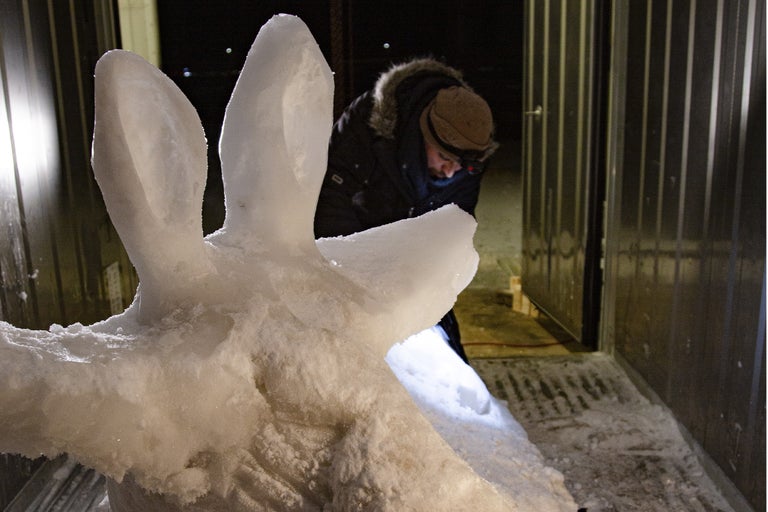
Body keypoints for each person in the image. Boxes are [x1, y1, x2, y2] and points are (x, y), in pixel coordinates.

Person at [314, 57, 498, 363]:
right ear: (421, 133)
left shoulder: (469, 155)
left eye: (462, 166)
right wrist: (356, 277)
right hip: (357, 260)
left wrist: (431, 292)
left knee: (446, 370)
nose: (452, 173)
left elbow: (455, 229)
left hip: (414, 278)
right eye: (443, 157)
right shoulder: (368, 125)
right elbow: (329, 200)